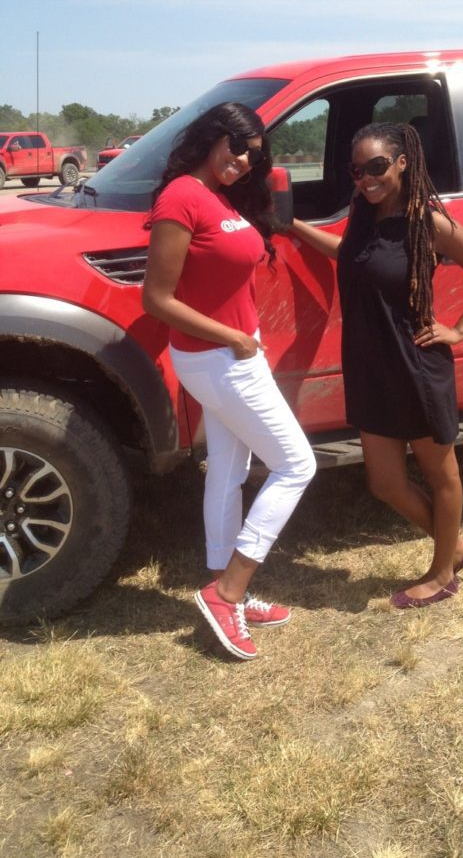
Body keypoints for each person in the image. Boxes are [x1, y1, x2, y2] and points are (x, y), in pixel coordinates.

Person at [286, 121, 463, 608]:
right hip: (370, 368)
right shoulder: (363, 214)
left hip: (415, 366)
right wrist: (291, 226)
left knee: (441, 475)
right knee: (384, 483)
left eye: (377, 167)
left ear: (402, 163)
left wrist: (458, 330)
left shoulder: (428, 222)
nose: (367, 178)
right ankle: (457, 547)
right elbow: (349, 254)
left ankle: (443, 574)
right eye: (358, 170)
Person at [143, 102, 316, 660]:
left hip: (232, 352)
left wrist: (244, 336)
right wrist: (234, 338)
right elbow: (157, 298)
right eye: (236, 147)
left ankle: (224, 586)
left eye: (252, 156)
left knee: (228, 468)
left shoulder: (218, 195)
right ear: (212, 137)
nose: (242, 162)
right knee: (297, 465)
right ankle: (229, 591)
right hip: (220, 357)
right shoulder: (182, 197)